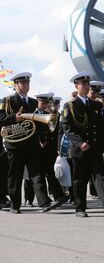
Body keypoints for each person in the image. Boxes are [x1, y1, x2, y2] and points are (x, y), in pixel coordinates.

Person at [62, 72, 104, 218]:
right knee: (80, 180)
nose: (86, 86)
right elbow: (67, 127)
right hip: (79, 149)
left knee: (100, 177)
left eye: (87, 84)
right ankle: (80, 208)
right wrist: (79, 142)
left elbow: (102, 128)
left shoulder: (96, 105)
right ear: (76, 86)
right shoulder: (69, 105)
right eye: (83, 84)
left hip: (94, 148)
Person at [0, 73, 60, 213]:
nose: (26, 85)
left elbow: (37, 122)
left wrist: (42, 138)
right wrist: (15, 118)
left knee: (37, 173)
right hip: (15, 144)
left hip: (32, 144)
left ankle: (44, 202)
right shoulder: (8, 100)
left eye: (27, 83)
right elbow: (1, 119)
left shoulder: (33, 102)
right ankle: (15, 205)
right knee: (16, 174)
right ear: (15, 85)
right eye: (23, 83)